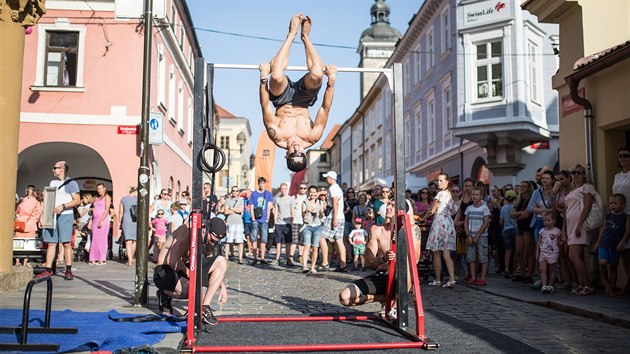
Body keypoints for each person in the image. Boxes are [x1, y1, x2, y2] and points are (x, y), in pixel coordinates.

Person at [258, 14, 337, 172]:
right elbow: (324, 109)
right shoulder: (312, 136)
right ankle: (305, 36)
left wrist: (263, 78)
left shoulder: (277, 136)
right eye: (300, 153)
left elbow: (265, 105)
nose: (296, 149)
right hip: (304, 100)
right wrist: (331, 81)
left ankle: (291, 34)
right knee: (316, 74)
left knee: (277, 75)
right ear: (304, 153)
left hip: (281, 99)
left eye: (293, 154)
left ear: (286, 156)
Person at [338, 200, 421, 307]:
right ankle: (384, 298)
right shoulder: (376, 229)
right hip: (382, 274)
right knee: (344, 297)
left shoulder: (413, 229)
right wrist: (383, 258)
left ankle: (395, 307)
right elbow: (368, 262)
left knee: (407, 266)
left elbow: (415, 259)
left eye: (393, 205)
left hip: (402, 277)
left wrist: (399, 251)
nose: (388, 207)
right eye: (388, 204)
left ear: (402, 210)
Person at [154, 218, 228, 321]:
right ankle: (164, 294)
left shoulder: (205, 237)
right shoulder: (186, 231)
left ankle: (204, 307)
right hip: (165, 271)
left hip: (184, 267)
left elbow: (209, 258)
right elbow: (172, 261)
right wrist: (191, 274)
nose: (211, 243)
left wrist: (221, 285)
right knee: (195, 291)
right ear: (204, 230)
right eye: (211, 240)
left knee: (221, 261)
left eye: (215, 242)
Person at [38, 161, 80, 280]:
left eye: (55, 168)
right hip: (52, 216)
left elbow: (77, 200)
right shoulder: (53, 182)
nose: (53, 170)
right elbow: (48, 200)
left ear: (62, 169)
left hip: (65, 215)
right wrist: (43, 215)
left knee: (66, 243)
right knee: (51, 243)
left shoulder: (72, 183)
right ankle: (48, 269)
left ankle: (68, 270)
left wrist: (63, 206)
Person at [563, 165, 596, 295]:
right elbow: (566, 211)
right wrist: (565, 230)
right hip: (571, 226)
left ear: (584, 174)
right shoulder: (573, 190)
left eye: (579, 172)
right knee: (574, 256)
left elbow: (587, 205)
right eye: (573, 172)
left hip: (579, 225)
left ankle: (588, 285)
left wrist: (579, 224)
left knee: (573, 256)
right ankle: (582, 284)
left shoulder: (586, 187)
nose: (576, 174)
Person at [423, 173, 457, 288]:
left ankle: (437, 280)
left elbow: (431, 211)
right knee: (446, 253)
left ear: (447, 181)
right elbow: (453, 211)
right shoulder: (450, 194)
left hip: (439, 223)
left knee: (436, 252)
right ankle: (451, 279)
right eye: (438, 180)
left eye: (441, 180)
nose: (439, 183)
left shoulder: (440, 194)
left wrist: (422, 219)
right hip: (448, 223)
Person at [593, 193, 630, 296]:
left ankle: (612, 288)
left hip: (615, 246)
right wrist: (597, 242)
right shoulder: (608, 216)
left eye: (615, 203)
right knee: (602, 263)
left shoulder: (625, 218)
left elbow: (627, 232)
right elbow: (603, 229)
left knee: (613, 267)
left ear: (622, 205)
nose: (612, 205)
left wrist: (622, 242)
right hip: (604, 243)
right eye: (611, 203)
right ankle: (607, 283)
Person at [320, 171, 347, 272]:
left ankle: (325, 262)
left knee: (322, 237)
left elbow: (335, 204)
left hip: (334, 217)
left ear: (331, 178)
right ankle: (343, 265)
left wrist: (334, 219)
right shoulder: (338, 188)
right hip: (341, 217)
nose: (326, 179)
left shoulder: (332, 188)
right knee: (339, 240)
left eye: (326, 178)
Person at [464, 187, 491, 286]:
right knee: (471, 257)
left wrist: (478, 235)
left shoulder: (484, 208)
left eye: (477, 194)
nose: (474, 196)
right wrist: (468, 235)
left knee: (483, 256)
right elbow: (466, 222)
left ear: (481, 196)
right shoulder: (469, 208)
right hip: (471, 235)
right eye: (473, 194)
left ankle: (483, 278)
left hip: (482, 236)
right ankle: (473, 277)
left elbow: (486, 222)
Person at [612, 147, 630, 295]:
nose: (622, 158)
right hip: (620, 216)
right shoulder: (617, 176)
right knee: (623, 251)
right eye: (620, 156)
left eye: (625, 155)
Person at [14, 185, 42, 267]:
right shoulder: (37, 202)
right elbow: (38, 214)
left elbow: (17, 211)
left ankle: (17, 261)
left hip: (20, 223)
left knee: (18, 244)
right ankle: (25, 262)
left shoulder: (22, 200)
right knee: (28, 244)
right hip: (31, 224)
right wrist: (34, 220)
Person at [248, 177, 274, 265]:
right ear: (258, 184)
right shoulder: (254, 194)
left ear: (265, 184)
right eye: (260, 183)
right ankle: (255, 257)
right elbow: (251, 206)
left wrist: (267, 218)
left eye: (263, 183)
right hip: (256, 218)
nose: (262, 185)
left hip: (264, 219)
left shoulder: (268, 194)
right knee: (254, 238)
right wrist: (253, 218)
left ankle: (262, 257)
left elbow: (269, 206)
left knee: (264, 239)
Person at [301, 185, 324, 273]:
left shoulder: (320, 202)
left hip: (317, 227)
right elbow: (302, 216)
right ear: (308, 193)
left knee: (315, 247)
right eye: (311, 192)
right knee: (307, 245)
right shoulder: (304, 202)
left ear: (316, 193)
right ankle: (305, 267)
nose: (312, 194)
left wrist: (322, 213)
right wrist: (307, 210)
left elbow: (322, 215)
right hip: (307, 226)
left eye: (314, 192)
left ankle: (313, 267)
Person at [536, 212, 561, 293]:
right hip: (543, 252)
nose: (546, 222)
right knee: (542, 269)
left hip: (553, 253)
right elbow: (539, 242)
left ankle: (551, 285)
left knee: (552, 269)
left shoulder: (557, 231)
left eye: (548, 220)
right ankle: (544, 285)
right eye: (544, 220)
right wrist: (537, 252)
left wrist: (562, 243)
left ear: (554, 221)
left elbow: (559, 242)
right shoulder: (542, 231)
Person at [88, 183, 112, 265]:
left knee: (102, 239)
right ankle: (93, 257)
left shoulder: (107, 197)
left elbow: (107, 210)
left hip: (103, 220)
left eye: (101, 188)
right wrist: (91, 221)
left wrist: (101, 220)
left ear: (104, 189)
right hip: (95, 220)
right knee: (94, 239)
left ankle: (102, 258)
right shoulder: (96, 198)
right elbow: (93, 210)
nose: (99, 190)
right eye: (98, 189)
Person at [272, 183, 296, 266]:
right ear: (280, 189)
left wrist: (291, 222)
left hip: (287, 224)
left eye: (284, 189)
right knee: (278, 242)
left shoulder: (291, 199)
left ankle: (288, 258)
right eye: (282, 189)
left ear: (287, 189)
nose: (283, 190)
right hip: (279, 223)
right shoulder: (277, 199)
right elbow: (275, 211)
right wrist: (275, 223)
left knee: (288, 242)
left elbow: (292, 211)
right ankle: (277, 258)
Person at [222, 187, 245, 264]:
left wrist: (231, 208)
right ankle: (226, 256)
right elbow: (225, 211)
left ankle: (240, 258)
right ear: (231, 192)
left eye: (237, 191)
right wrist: (236, 210)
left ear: (238, 192)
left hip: (239, 223)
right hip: (230, 222)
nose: (235, 192)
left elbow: (241, 210)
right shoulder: (228, 200)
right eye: (233, 191)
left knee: (240, 241)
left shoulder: (241, 200)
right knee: (228, 241)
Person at [500, 190, 518, 278]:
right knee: (515, 251)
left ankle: (506, 268)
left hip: (506, 230)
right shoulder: (516, 206)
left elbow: (501, 221)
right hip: (515, 229)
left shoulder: (503, 208)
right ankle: (514, 270)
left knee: (508, 251)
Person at [119, 186, 138, 266]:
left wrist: (120, 222)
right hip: (136, 220)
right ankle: (131, 257)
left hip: (127, 220)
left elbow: (121, 212)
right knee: (134, 240)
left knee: (128, 241)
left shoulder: (123, 199)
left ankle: (129, 260)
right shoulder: (138, 199)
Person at [292, 184, 308, 263]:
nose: (302, 189)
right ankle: (290, 257)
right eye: (301, 188)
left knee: (302, 241)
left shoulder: (307, 198)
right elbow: (291, 208)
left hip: (304, 222)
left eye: (304, 188)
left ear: (306, 189)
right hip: (295, 220)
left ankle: (300, 256)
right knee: (294, 240)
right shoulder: (295, 197)